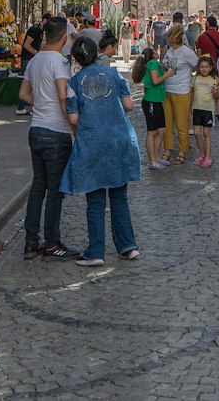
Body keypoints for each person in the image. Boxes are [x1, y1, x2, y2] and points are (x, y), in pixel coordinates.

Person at [61, 37, 141, 267]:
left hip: (92, 142)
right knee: (119, 196)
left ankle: (96, 251)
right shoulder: (115, 75)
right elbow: (129, 105)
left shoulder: (74, 84)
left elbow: (74, 118)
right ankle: (128, 246)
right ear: (97, 53)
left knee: (95, 200)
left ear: (76, 58)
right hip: (119, 139)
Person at [18, 16, 78, 261]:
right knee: (55, 190)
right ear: (64, 38)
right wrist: (72, 123)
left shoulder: (35, 60)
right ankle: (52, 242)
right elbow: (63, 96)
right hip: (56, 131)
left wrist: (41, 104)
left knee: (38, 186)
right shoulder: (60, 63)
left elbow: (23, 93)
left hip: (37, 129)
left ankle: (31, 240)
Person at [161, 23, 198, 164]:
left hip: (182, 91)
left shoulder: (187, 52)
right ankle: (168, 150)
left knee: (182, 125)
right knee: (168, 124)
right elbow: (165, 65)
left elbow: (197, 65)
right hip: (167, 90)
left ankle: (182, 152)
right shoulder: (170, 51)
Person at [131, 45, 168, 169]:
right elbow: (155, 81)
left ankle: (156, 158)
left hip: (156, 100)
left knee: (161, 130)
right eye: (156, 52)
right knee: (152, 132)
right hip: (151, 101)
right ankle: (153, 160)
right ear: (153, 55)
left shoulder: (151, 64)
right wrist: (168, 75)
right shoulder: (153, 63)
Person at [191, 54, 219, 167]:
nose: (204, 69)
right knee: (197, 133)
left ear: (210, 68)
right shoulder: (195, 79)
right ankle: (202, 154)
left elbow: (217, 96)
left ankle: (208, 157)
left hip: (208, 109)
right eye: (202, 67)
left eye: (206, 67)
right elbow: (192, 93)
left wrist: (215, 93)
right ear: (198, 68)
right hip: (197, 108)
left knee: (206, 133)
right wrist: (190, 108)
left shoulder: (214, 79)